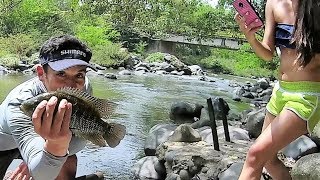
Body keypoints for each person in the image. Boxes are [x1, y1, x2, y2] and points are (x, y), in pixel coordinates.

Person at [235, 0, 320, 179]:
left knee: (254, 155)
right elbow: (267, 53)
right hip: (280, 92)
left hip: (306, 96)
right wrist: (250, 37)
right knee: (268, 160)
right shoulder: (273, 4)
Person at [0, 35, 98, 180]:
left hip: (44, 139)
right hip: (4, 146)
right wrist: (38, 159)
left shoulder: (83, 88)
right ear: (41, 73)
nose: (70, 85)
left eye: (79, 74)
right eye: (61, 73)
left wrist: (54, 149)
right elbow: (42, 173)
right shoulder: (20, 103)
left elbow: (81, 138)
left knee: (66, 162)